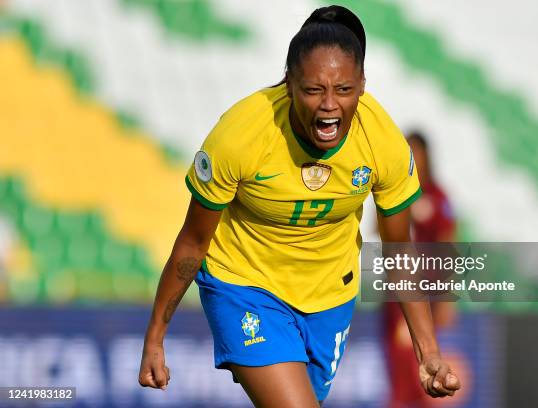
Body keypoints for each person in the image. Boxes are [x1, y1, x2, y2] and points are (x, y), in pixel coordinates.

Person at [138, 6, 460, 407]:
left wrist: (428, 353)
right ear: (290, 83)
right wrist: (155, 337)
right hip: (245, 286)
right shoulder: (241, 134)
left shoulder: (384, 143)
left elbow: (398, 251)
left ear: (362, 85)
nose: (329, 104)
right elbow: (193, 241)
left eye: (343, 89)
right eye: (313, 89)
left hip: (329, 300)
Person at [382, 131, 458, 408]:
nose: (412, 158)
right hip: (396, 292)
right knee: (397, 366)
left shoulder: (438, 196)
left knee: (416, 366)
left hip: (425, 292)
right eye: (407, 152)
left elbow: (448, 243)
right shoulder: (394, 192)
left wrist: (448, 297)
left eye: (417, 152)